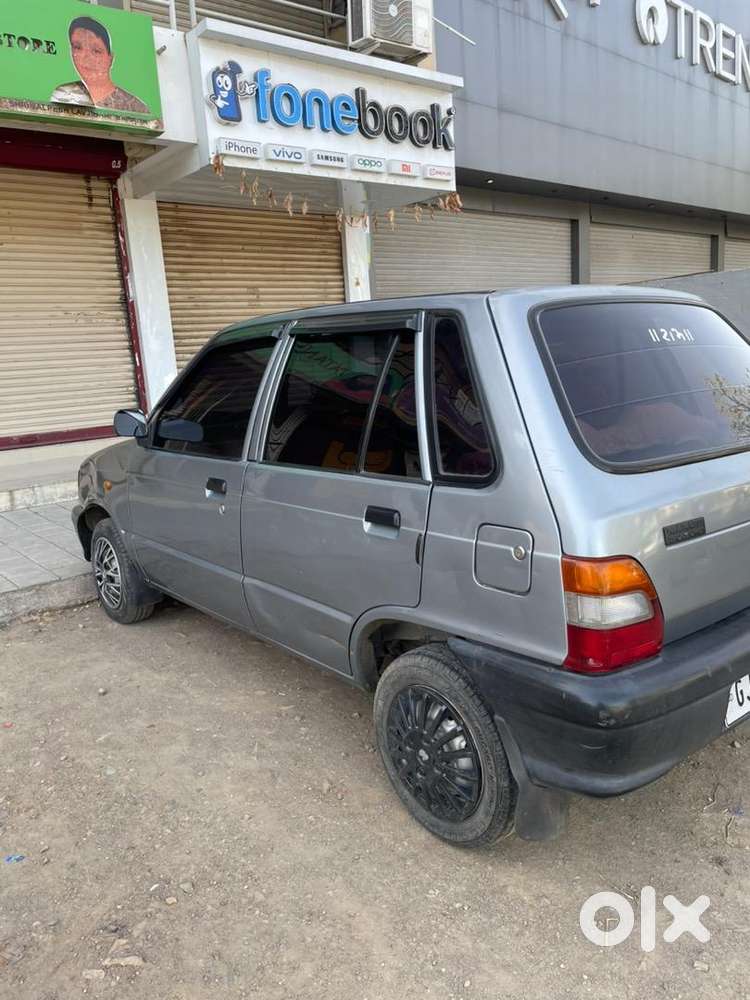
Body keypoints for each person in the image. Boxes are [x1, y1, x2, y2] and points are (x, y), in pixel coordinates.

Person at [50, 16, 150, 114]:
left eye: (96, 51)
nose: (86, 57)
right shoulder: (63, 93)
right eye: (77, 47)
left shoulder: (136, 107)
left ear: (110, 58)